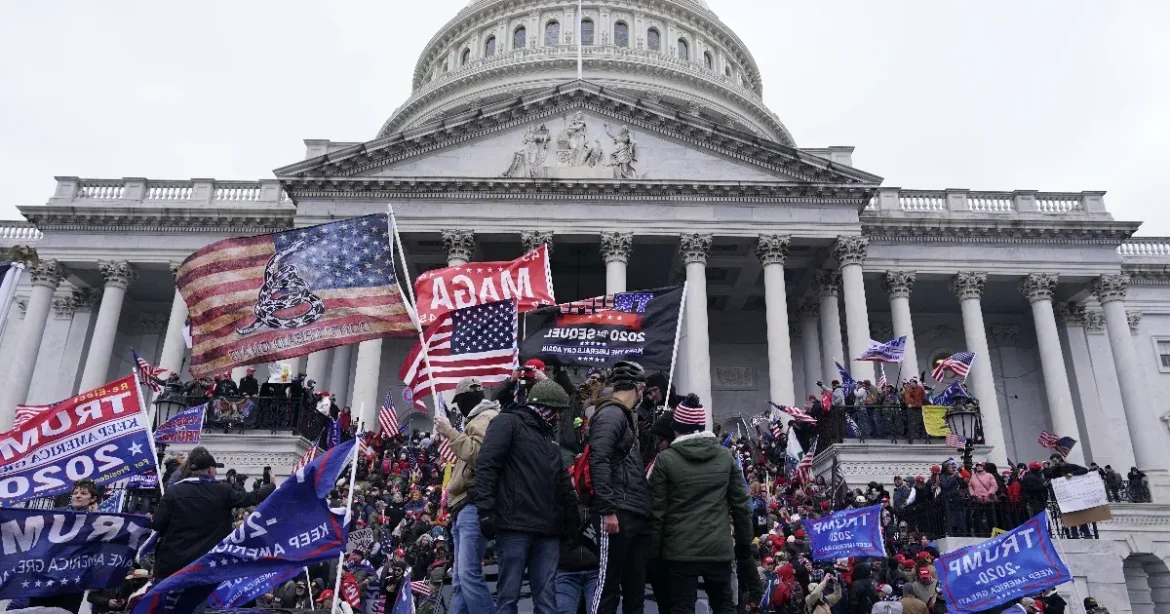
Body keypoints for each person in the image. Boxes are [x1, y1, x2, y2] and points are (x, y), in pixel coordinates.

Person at [475, 379, 578, 614]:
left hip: (548, 530)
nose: (558, 417)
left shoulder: (549, 437)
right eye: (556, 411)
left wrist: (571, 518)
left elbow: (561, 479)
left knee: (546, 601)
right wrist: (486, 511)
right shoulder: (507, 422)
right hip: (515, 527)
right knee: (508, 598)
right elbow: (487, 466)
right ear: (545, 406)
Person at [648, 394, 755, 613]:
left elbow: (657, 513)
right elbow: (741, 507)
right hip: (718, 549)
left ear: (676, 429)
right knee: (724, 605)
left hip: (679, 551)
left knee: (682, 607)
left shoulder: (665, 460)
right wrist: (744, 545)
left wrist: (652, 555)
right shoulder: (725, 457)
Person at [152, 447, 276, 613]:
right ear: (210, 470)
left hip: (170, 565)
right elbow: (251, 498)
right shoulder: (222, 490)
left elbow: (157, 524)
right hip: (201, 567)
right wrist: (271, 485)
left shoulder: (174, 490)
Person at [588, 360, 654, 614]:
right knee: (608, 588)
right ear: (639, 388)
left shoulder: (626, 416)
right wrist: (607, 509)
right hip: (616, 512)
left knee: (635, 592)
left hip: (635, 510)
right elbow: (599, 459)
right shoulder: (611, 414)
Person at [436, 376, 500, 614]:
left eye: (460, 402)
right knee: (460, 580)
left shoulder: (485, 419)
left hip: (472, 505)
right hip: (463, 505)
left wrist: (450, 432)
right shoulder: (477, 420)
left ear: (466, 399)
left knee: (468, 575)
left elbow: (479, 456)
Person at [23, 480, 104, 613]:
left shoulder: (99, 521)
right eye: (75, 493)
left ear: (93, 499)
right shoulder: (54, 514)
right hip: (45, 578)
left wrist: (94, 518)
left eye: (83, 493)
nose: (77, 496)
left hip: (72, 581)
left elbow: (100, 546)